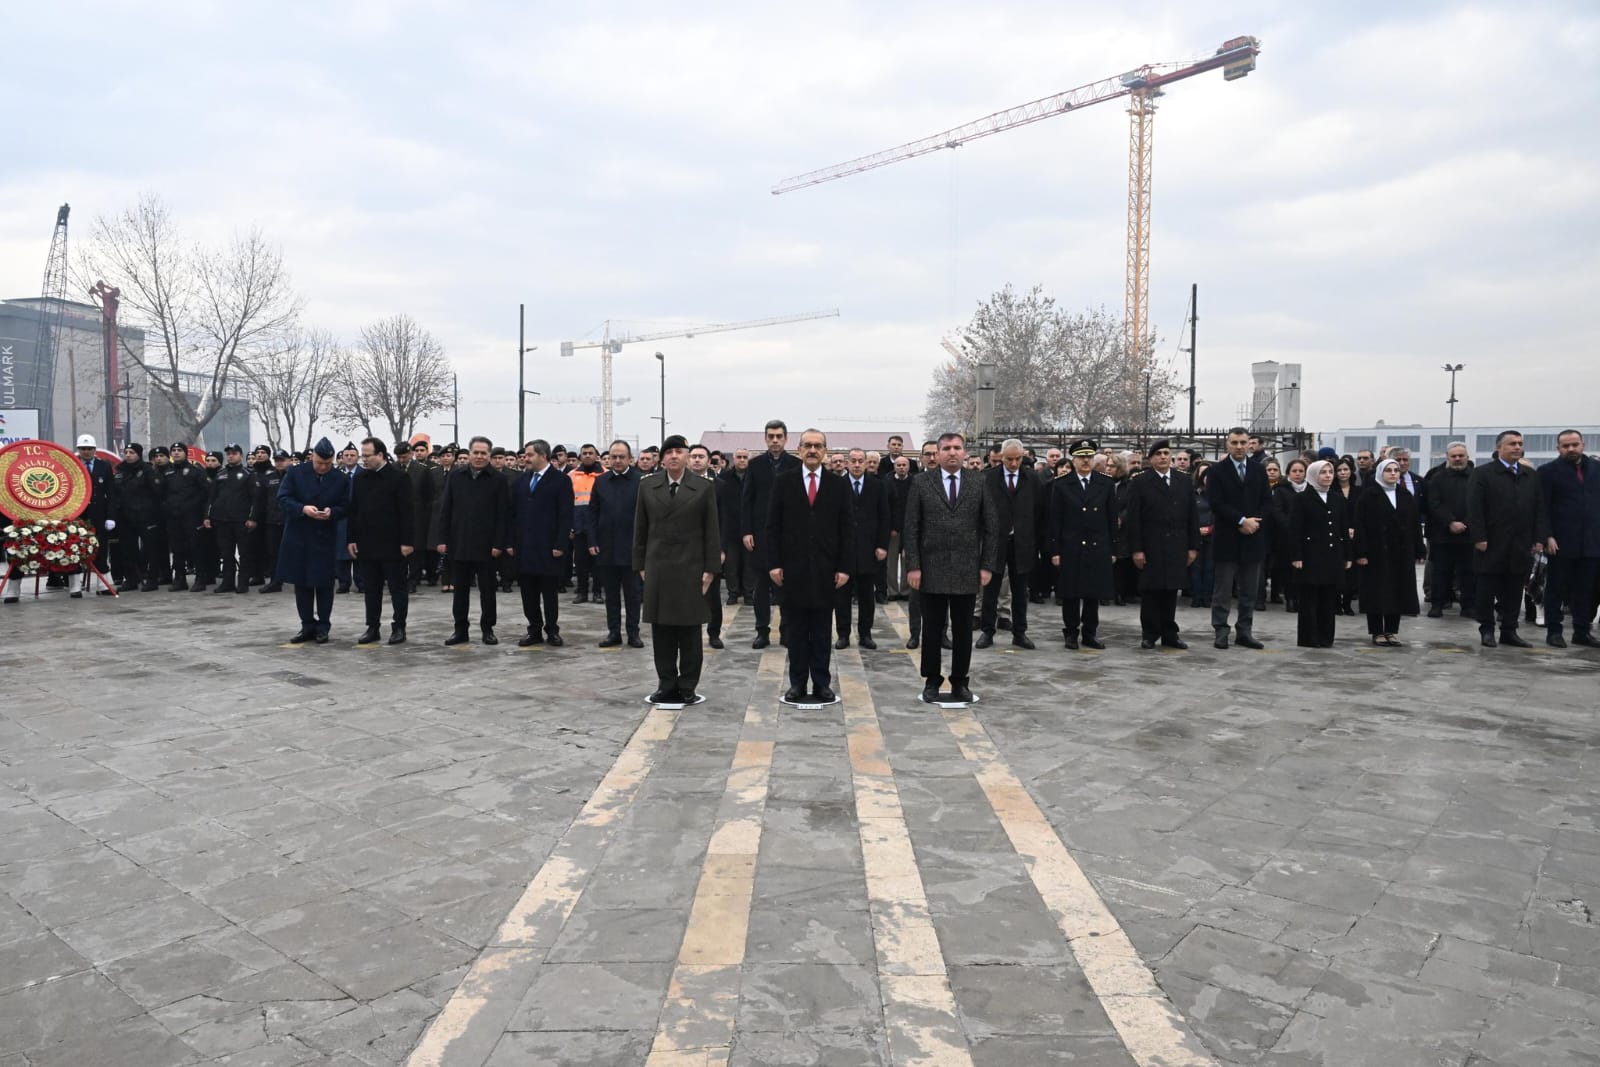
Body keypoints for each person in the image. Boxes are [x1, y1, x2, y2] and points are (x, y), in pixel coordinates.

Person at [902, 432, 1000, 704]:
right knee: (932, 629)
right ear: (937, 453)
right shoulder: (921, 483)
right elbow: (912, 527)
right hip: (930, 569)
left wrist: (987, 565)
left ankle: (960, 681)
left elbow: (991, 528)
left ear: (965, 452)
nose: (952, 453)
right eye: (946, 448)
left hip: (967, 570)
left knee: (962, 630)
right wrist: (913, 567)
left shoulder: (978, 482)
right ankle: (932, 680)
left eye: (957, 448)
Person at [767, 430, 853, 702]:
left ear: (825, 450)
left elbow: (848, 529)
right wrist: (774, 564)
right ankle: (797, 684)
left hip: (827, 571)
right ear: (799, 449)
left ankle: (821, 683)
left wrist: (845, 567)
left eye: (818, 446)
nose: (813, 450)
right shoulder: (784, 482)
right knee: (795, 631)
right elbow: (772, 527)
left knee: (820, 631)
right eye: (808, 445)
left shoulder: (838, 485)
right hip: (793, 570)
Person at [634, 435, 721, 704]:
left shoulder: (703, 487)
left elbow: (712, 530)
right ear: (662, 458)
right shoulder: (648, 486)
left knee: (690, 632)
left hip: (690, 566)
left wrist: (710, 568)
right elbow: (640, 528)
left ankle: (687, 686)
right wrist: (640, 565)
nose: (674, 456)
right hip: (658, 565)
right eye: (668, 452)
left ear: (687, 456)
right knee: (662, 631)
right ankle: (666, 683)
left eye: (678, 451)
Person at [1467, 430, 1546, 649]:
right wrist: (1479, 537)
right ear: (1499, 447)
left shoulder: (1530, 475)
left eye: (1520, 443)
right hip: (1491, 543)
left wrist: (1539, 537)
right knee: (1486, 589)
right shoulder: (1483, 474)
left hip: (1520, 543)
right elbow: (1474, 509)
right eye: (1512, 444)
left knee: (1514, 590)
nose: (1517, 447)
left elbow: (1539, 508)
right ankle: (1487, 629)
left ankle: (1509, 630)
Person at [1122, 441, 1200, 649]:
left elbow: (1192, 516)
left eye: (1166, 453)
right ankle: (1149, 633)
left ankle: (1169, 633)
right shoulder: (1140, 482)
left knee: (1170, 590)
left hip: (1177, 545)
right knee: (1151, 590)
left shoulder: (1183, 481)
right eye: (1158, 454)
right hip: (1151, 545)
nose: (1163, 457)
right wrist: (1137, 549)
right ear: (1151, 458)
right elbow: (1134, 518)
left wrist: (1193, 546)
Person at [434, 436, 511, 646]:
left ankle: (488, 629)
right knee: (460, 591)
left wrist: (498, 544)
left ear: (489, 455)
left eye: (483, 453)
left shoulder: (498, 479)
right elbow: (446, 509)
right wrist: (442, 539)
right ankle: (460, 630)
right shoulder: (456, 476)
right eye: (475, 453)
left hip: (487, 547)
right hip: (459, 543)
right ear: (468, 454)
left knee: (487, 591)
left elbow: (503, 515)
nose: (479, 457)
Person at [276, 438, 351, 643]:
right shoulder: (296, 473)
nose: (323, 467)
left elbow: (346, 506)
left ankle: (323, 625)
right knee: (302, 583)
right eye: (319, 463)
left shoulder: (340, 478)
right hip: (299, 535)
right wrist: (302, 509)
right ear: (313, 458)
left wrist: (332, 511)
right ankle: (306, 624)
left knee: (325, 584)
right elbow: (282, 498)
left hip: (325, 537)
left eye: (327, 464)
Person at [1048, 438, 1116, 649]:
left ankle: (1090, 633)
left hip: (1097, 545)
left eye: (1088, 456)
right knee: (1071, 593)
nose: (1085, 460)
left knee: (1092, 593)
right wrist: (1054, 550)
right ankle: (1070, 633)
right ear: (1074, 460)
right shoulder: (1061, 484)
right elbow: (1054, 520)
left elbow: (1111, 518)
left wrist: (1113, 548)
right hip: (1071, 546)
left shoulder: (1105, 483)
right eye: (1081, 457)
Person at [1208, 427, 1272, 650]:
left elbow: (1267, 500)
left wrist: (1254, 522)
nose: (1239, 447)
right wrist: (1240, 520)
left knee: (1249, 591)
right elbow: (1216, 503)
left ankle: (1244, 631)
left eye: (1243, 442)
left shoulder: (1258, 470)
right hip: (1228, 537)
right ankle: (1221, 630)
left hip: (1253, 537)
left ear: (1250, 444)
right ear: (1228, 444)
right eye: (1234, 442)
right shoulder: (1217, 471)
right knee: (1223, 591)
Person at [346, 437, 415, 645]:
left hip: (394, 544)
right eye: (362, 456)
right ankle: (372, 627)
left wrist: (407, 542)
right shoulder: (360, 479)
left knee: (397, 588)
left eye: (367, 456)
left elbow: (408, 513)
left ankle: (399, 626)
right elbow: (354, 511)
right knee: (371, 588)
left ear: (381, 455)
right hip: (367, 543)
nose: (363, 460)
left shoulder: (399, 478)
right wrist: (351, 538)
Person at [740, 419, 800, 648]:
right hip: (760, 535)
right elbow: (746, 500)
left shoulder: (796, 464)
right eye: (771, 436)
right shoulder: (755, 466)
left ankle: (786, 631)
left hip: (788, 536)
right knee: (761, 588)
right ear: (765, 438)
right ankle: (762, 631)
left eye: (779, 436)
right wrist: (746, 530)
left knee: (786, 586)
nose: (775, 440)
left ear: (786, 438)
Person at [508, 439, 574, 648]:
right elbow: (513, 514)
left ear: (543, 456)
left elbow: (565, 515)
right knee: (528, 593)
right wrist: (510, 542)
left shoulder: (560, 481)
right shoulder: (521, 481)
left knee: (549, 593)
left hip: (548, 547)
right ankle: (534, 629)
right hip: (525, 547)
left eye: (529, 455)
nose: (525, 458)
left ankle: (552, 630)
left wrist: (560, 544)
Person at [1353, 459, 1426, 646]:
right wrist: (1361, 552)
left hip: (1401, 551)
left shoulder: (1404, 494)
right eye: (1388, 470)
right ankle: (1377, 631)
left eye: (1396, 470)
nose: (1393, 473)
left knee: (1398, 590)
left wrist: (1419, 547)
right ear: (1380, 472)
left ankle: (1392, 630)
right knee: (1377, 592)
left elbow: (1414, 523)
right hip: (1376, 552)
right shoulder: (1369, 495)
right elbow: (1360, 525)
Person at [978, 439, 1041, 649]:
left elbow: (1040, 513)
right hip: (994, 542)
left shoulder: (1032, 478)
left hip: (1022, 543)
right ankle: (987, 631)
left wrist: (1038, 544)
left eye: (1018, 459)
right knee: (991, 590)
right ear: (1000, 457)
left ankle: (1020, 632)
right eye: (1009, 459)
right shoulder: (987, 478)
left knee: (1020, 591)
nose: (1014, 464)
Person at [1539, 430, 1600, 648]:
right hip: (1561, 541)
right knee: (1557, 588)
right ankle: (1554, 631)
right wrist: (1547, 535)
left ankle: (1582, 631)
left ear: (1583, 444)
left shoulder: (1596, 469)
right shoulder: (1547, 472)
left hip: (1592, 541)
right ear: (1558, 448)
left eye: (1575, 444)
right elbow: (1542, 508)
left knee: (1586, 589)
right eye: (1565, 446)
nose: (1571, 449)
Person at [830, 447, 887, 652]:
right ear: (846, 463)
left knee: (866, 597)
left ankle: (865, 634)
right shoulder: (837, 485)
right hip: (843, 551)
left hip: (868, 549)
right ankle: (843, 634)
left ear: (865, 463)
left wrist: (882, 545)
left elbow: (884, 518)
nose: (856, 464)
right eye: (852, 461)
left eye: (860, 461)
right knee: (842, 596)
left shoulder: (878, 486)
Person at [1289, 460, 1350, 648]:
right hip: (1310, 555)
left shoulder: (1337, 498)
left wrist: (1347, 555)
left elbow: (1343, 528)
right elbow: (1295, 529)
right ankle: (1310, 637)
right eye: (1323, 472)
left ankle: (1326, 636)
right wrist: (1296, 555)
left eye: (1330, 472)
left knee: (1328, 597)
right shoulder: (1302, 498)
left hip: (1332, 554)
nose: (1328, 475)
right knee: (1310, 598)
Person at [591, 440, 645, 648]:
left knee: (633, 594)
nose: (617, 460)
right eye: (613, 456)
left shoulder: (640, 481)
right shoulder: (601, 481)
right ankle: (614, 632)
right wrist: (592, 540)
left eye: (622, 457)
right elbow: (592, 512)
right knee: (611, 595)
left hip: (631, 549)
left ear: (630, 458)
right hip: (606, 547)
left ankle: (633, 633)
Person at [1424, 442, 1476, 619]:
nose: (1458, 459)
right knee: (1440, 572)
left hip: (1469, 535)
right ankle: (1437, 605)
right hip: (1443, 534)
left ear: (1467, 457)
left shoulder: (1476, 477)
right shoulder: (1438, 478)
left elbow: (1481, 504)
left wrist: (1466, 523)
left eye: (1461, 455)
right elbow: (1434, 504)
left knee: (1468, 572)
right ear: (1447, 457)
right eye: (1454, 456)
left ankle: (1468, 606)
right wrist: (1451, 522)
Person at [204, 444, 255, 594]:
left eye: (234, 453)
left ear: (240, 455)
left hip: (241, 520)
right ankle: (227, 582)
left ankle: (243, 583)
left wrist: (252, 518)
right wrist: (207, 516)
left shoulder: (248, 474)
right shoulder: (220, 474)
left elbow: (255, 499)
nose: (231, 456)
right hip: (222, 520)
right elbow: (211, 498)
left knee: (244, 553)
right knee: (226, 553)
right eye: (228, 454)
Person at [71, 434, 118, 597]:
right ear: (78, 450)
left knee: (101, 549)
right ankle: (75, 587)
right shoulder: (72, 465)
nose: (86, 452)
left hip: (99, 514)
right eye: (83, 449)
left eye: (89, 449)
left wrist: (111, 516)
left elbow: (111, 493)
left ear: (95, 449)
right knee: (74, 549)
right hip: (77, 515)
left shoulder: (104, 466)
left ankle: (103, 585)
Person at [113, 443, 162, 592]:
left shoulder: (147, 470)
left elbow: (157, 492)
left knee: (150, 549)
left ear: (139, 454)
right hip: (126, 517)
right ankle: (131, 579)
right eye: (126, 452)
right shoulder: (120, 470)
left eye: (132, 452)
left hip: (146, 516)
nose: (128, 455)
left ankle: (152, 579)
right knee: (128, 550)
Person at [394, 441, 434, 594]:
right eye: (399, 457)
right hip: (397, 516)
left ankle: (413, 581)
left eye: (404, 457)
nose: (402, 460)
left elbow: (429, 495)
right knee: (399, 551)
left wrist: (424, 514)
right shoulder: (393, 469)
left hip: (417, 516)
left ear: (410, 454)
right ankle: (400, 579)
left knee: (416, 550)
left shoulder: (422, 471)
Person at [716, 448, 752, 604]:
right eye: (739, 457)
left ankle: (749, 592)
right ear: (734, 459)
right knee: (731, 564)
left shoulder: (754, 477)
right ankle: (733, 592)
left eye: (745, 457)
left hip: (750, 528)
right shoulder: (724, 478)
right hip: (730, 528)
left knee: (749, 564)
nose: (742, 460)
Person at [884, 455, 913, 601]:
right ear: (894, 467)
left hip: (910, 527)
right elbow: (886, 507)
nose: (901, 467)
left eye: (904, 465)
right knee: (891, 561)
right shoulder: (887, 482)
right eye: (899, 465)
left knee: (908, 559)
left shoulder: (915, 482)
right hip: (893, 529)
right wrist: (891, 526)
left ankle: (906, 590)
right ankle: (893, 590)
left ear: (908, 467)